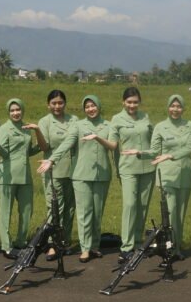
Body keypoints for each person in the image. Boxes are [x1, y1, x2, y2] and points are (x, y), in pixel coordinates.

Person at [38, 95, 116, 263]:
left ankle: (94, 246)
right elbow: (66, 144)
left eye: (93, 106)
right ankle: (85, 248)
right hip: (81, 175)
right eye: (87, 107)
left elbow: (113, 146)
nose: (91, 109)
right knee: (84, 212)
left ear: (99, 106)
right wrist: (52, 159)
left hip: (102, 175)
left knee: (97, 212)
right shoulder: (78, 125)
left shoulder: (108, 125)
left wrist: (97, 137)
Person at [0, 98, 46, 259]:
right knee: (5, 212)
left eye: (18, 110)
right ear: (8, 112)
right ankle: (6, 247)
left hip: (25, 176)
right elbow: (4, 154)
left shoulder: (27, 128)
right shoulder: (4, 128)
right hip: (7, 176)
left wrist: (39, 137)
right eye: (12, 110)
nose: (15, 113)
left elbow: (28, 151)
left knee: (26, 210)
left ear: (23, 110)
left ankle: (21, 242)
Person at [110, 88, 155, 261]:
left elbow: (154, 140)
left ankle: (137, 243)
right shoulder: (116, 119)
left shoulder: (145, 117)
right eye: (129, 102)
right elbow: (113, 145)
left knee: (142, 206)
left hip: (147, 168)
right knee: (129, 205)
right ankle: (126, 247)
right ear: (123, 102)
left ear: (139, 102)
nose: (132, 105)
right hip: (128, 168)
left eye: (135, 102)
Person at [151, 94, 191, 257]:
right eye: (172, 106)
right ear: (168, 107)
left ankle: (177, 248)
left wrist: (171, 155)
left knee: (180, 213)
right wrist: (139, 153)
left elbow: (190, 147)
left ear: (183, 108)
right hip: (167, 175)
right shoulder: (160, 127)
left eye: (178, 106)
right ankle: (168, 248)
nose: (175, 109)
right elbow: (154, 150)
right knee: (169, 213)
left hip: (185, 174)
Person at [37, 89, 76, 257]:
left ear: (65, 103)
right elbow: (44, 147)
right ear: (48, 105)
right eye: (54, 103)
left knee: (70, 208)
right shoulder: (44, 122)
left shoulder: (74, 120)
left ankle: (65, 242)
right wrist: (36, 131)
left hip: (73, 171)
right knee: (54, 208)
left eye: (60, 103)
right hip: (52, 171)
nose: (57, 106)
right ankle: (52, 244)